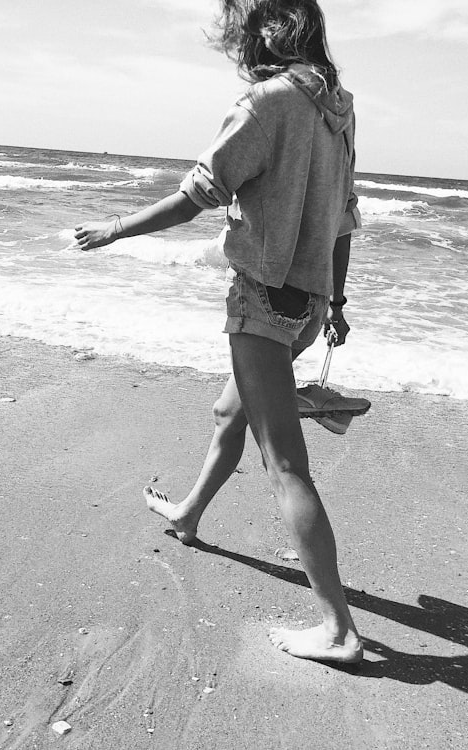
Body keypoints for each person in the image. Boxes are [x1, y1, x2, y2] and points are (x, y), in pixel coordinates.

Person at [74, 0, 363, 664]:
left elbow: (198, 194)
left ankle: (339, 628)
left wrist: (115, 229)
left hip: (261, 304)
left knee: (286, 464)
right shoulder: (338, 107)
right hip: (307, 305)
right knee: (229, 411)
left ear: (266, 29)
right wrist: (336, 301)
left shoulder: (268, 104)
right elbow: (344, 216)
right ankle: (189, 514)